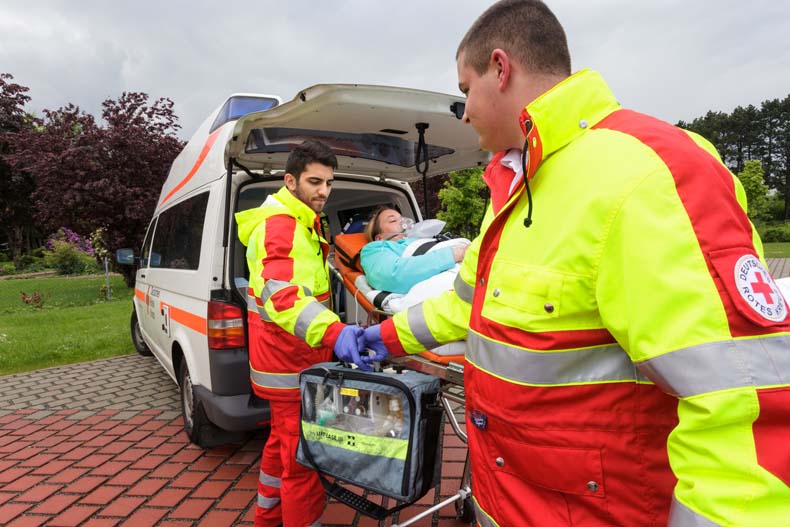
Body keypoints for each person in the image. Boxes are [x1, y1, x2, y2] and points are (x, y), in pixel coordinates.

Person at [362, 1, 790, 526]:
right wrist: (377, 339)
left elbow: (745, 410)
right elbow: (464, 306)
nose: (465, 112)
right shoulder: (515, 188)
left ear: (501, 68)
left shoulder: (646, 172)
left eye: (464, 91)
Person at [236, 139, 369, 527]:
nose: (323, 191)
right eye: (314, 181)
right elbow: (283, 297)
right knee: (304, 462)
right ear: (290, 181)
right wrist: (336, 333)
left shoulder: (298, 223)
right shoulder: (282, 227)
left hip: (285, 362)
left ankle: (266, 518)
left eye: (328, 183)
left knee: (281, 446)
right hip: (290, 365)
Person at [359, 206, 466, 294]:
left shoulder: (425, 239)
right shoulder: (374, 249)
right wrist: (454, 254)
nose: (402, 222)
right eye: (393, 220)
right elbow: (394, 275)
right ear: (379, 237)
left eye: (402, 218)